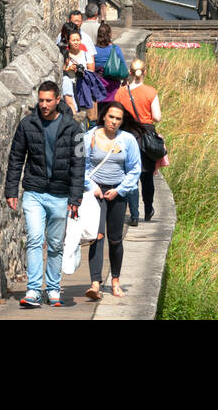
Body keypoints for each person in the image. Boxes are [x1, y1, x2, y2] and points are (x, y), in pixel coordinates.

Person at [4, 80, 84, 308]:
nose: (44, 104)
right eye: (41, 100)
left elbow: (80, 164)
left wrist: (75, 197)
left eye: (49, 100)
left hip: (60, 194)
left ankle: (53, 289)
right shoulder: (26, 125)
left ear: (58, 100)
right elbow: (16, 158)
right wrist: (11, 189)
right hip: (34, 192)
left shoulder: (74, 129)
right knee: (35, 239)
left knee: (56, 244)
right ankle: (33, 290)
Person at [82, 101, 142, 300]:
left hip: (117, 192)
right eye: (111, 117)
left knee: (115, 239)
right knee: (96, 236)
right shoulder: (88, 137)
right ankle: (95, 284)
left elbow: (135, 169)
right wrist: (92, 187)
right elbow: (79, 166)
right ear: (104, 117)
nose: (114, 122)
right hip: (96, 192)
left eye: (118, 119)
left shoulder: (128, 140)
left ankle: (115, 280)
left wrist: (119, 190)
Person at [118, 60, 161, 225]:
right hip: (146, 135)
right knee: (146, 174)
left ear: (129, 72)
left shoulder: (121, 92)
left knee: (131, 175)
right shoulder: (151, 92)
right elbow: (157, 117)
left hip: (128, 134)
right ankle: (148, 209)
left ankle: (134, 214)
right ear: (144, 72)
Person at [61, 28, 94, 118]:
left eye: (78, 40)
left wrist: (83, 71)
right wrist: (69, 69)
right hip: (70, 88)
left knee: (85, 114)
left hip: (83, 88)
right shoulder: (65, 55)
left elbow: (92, 71)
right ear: (68, 41)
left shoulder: (86, 55)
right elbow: (61, 70)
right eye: (73, 40)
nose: (76, 42)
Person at [92, 22, 127, 101]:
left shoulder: (93, 49)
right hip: (112, 82)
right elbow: (123, 66)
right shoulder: (115, 48)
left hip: (98, 82)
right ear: (109, 34)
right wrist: (125, 80)